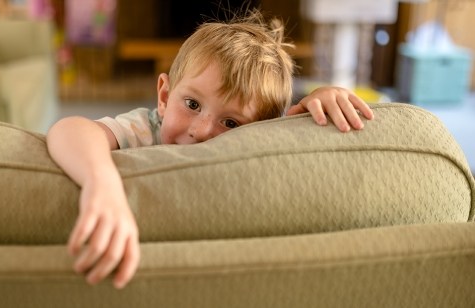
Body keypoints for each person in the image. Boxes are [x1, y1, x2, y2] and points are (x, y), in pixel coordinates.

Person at [46, 9, 374, 289]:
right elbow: (67, 129)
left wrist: (319, 99)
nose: (201, 131)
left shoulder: (257, 150)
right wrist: (102, 184)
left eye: (230, 123)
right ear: (163, 97)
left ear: (261, 131)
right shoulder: (146, 129)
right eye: (191, 103)